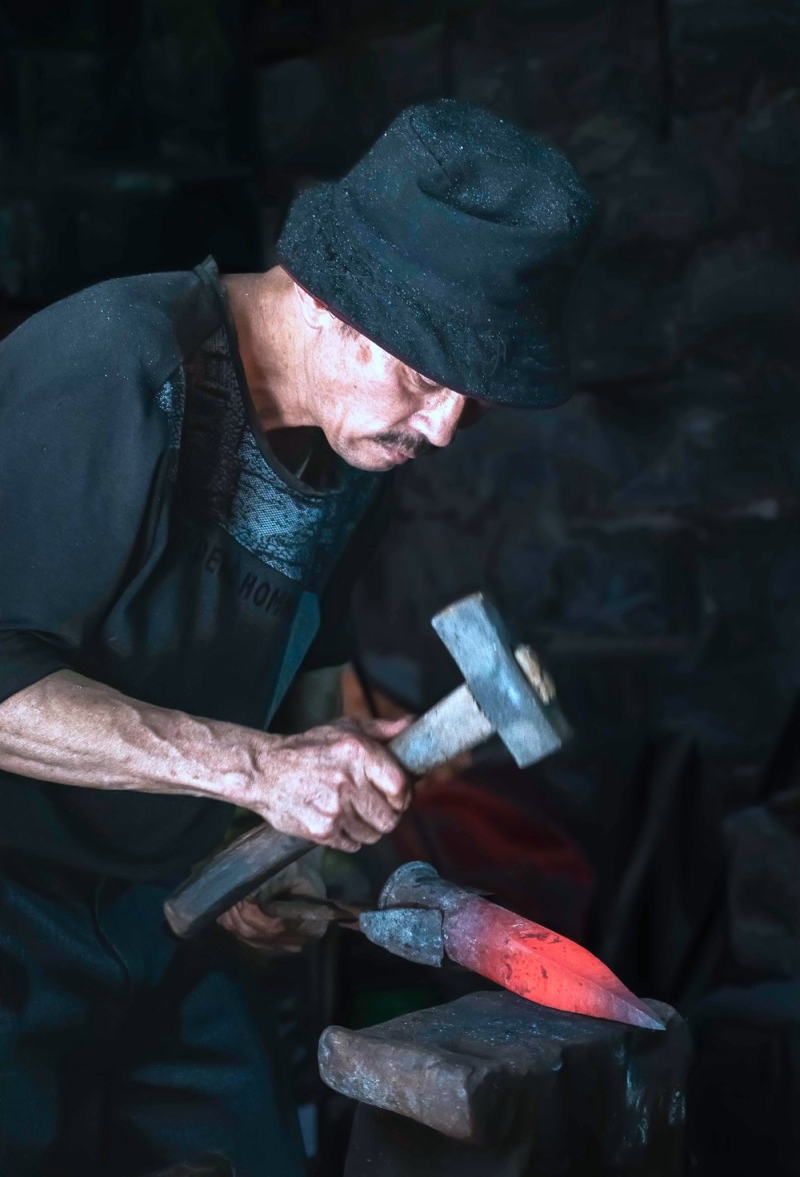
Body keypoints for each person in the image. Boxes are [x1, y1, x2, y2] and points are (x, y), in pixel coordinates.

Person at [0, 99, 596, 1175]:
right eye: (425, 376)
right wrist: (256, 771)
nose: (444, 427)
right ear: (327, 300)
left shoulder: (356, 450)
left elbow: (308, 679)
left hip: (163, 922)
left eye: (470, 395)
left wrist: (273, 847)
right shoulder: (113, 365)